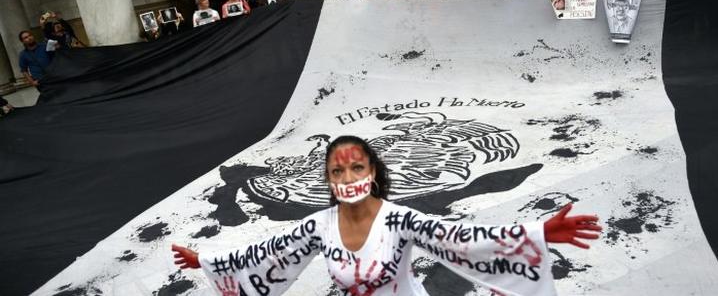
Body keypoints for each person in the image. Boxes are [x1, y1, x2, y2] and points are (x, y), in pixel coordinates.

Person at [172, 135, 601, 295]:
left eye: (356, 167)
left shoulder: (399, 219)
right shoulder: (319, 226)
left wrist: (538, 233)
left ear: (372, 171)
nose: (347, 176)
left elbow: (461, 238)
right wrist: (205, 261)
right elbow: (265, 254)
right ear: (328, 178)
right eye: (337, 170)